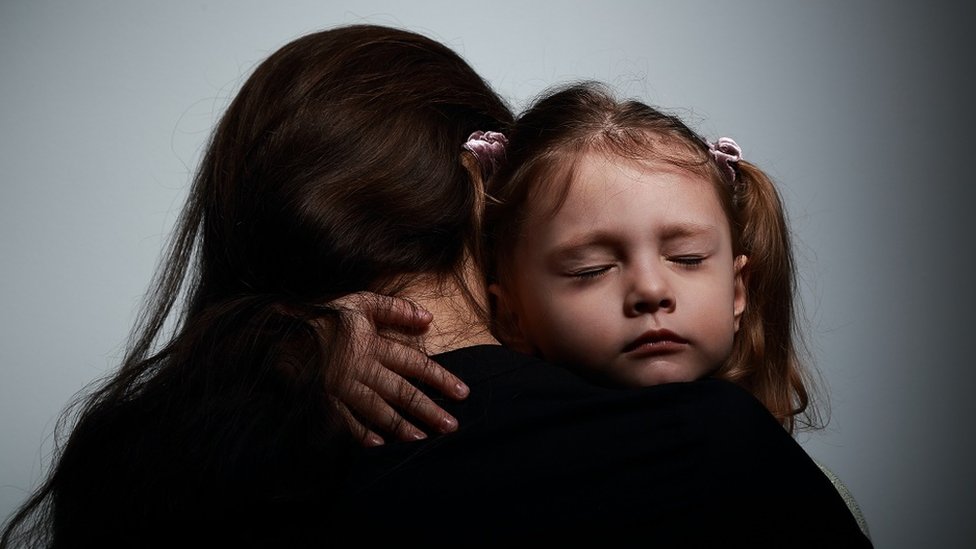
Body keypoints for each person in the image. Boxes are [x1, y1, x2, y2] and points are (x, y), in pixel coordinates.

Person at [0, 24, 872, 548]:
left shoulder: (154, 470)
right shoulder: (702, 448)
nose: (647, 290)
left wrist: (270, 347)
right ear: (485, 208)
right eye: (592, 262)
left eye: (686, 256)